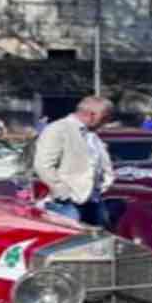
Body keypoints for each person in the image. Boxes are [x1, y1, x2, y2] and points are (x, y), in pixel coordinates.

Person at [33, 96, 115, 226]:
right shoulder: (58, 129)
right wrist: (64, 193)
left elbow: (101, 164)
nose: (107, 121)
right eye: (105, 117)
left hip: (93, 202)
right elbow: (43, 165)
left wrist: (106, 183)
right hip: (66, 205)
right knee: (69, 244)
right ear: (92, 114)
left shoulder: (92, 135)